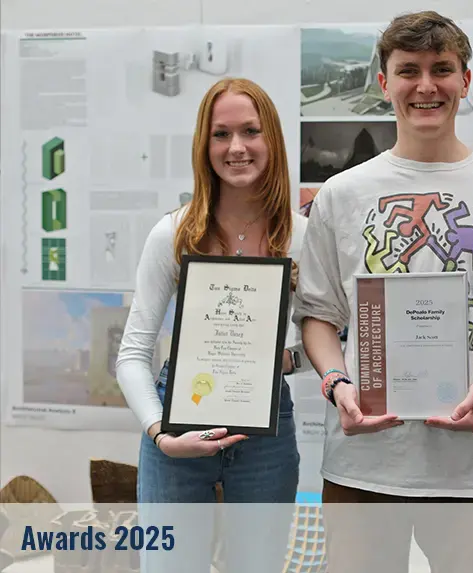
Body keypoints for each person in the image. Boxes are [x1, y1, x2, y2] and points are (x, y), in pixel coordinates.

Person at [291, 10, 473, 573]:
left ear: (465, 80)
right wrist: (338, 382)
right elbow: (316, 313)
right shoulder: (342, 194)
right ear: (384, 83)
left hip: (470, 466)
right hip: (363, 460)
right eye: (408, 71)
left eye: (442, 69)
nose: (426, 86)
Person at [115, 77, 308, 572]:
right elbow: (133, 353)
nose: (237, 147)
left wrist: (286, 359)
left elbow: (336, 340)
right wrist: (161, 433)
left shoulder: (303, 236)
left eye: (250, 131)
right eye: (221, 134)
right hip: (178, 423)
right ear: (204, 145)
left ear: (273, 141)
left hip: (267, 426)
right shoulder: (174, 233)